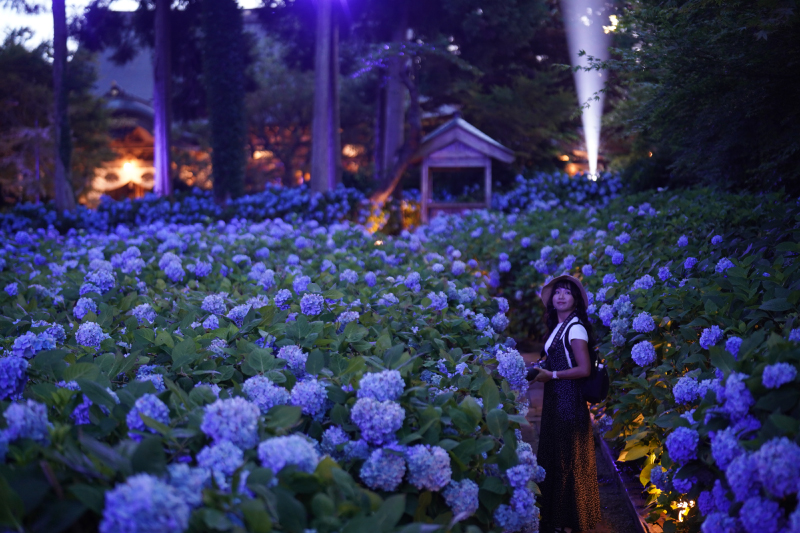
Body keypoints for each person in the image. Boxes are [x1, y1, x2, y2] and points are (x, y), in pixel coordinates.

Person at [532, 274, 601, 532]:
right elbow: (558, 359)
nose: (561, 296)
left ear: (576, 301)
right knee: (557, 456)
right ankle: (558, 520)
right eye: (557, 291)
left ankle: (568, 522)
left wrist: (552, 375)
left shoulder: (575, 328)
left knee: (566, 460)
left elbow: (584, 369)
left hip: (568, 400)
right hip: (556, 398)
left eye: (567, 292)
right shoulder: (560, 325)